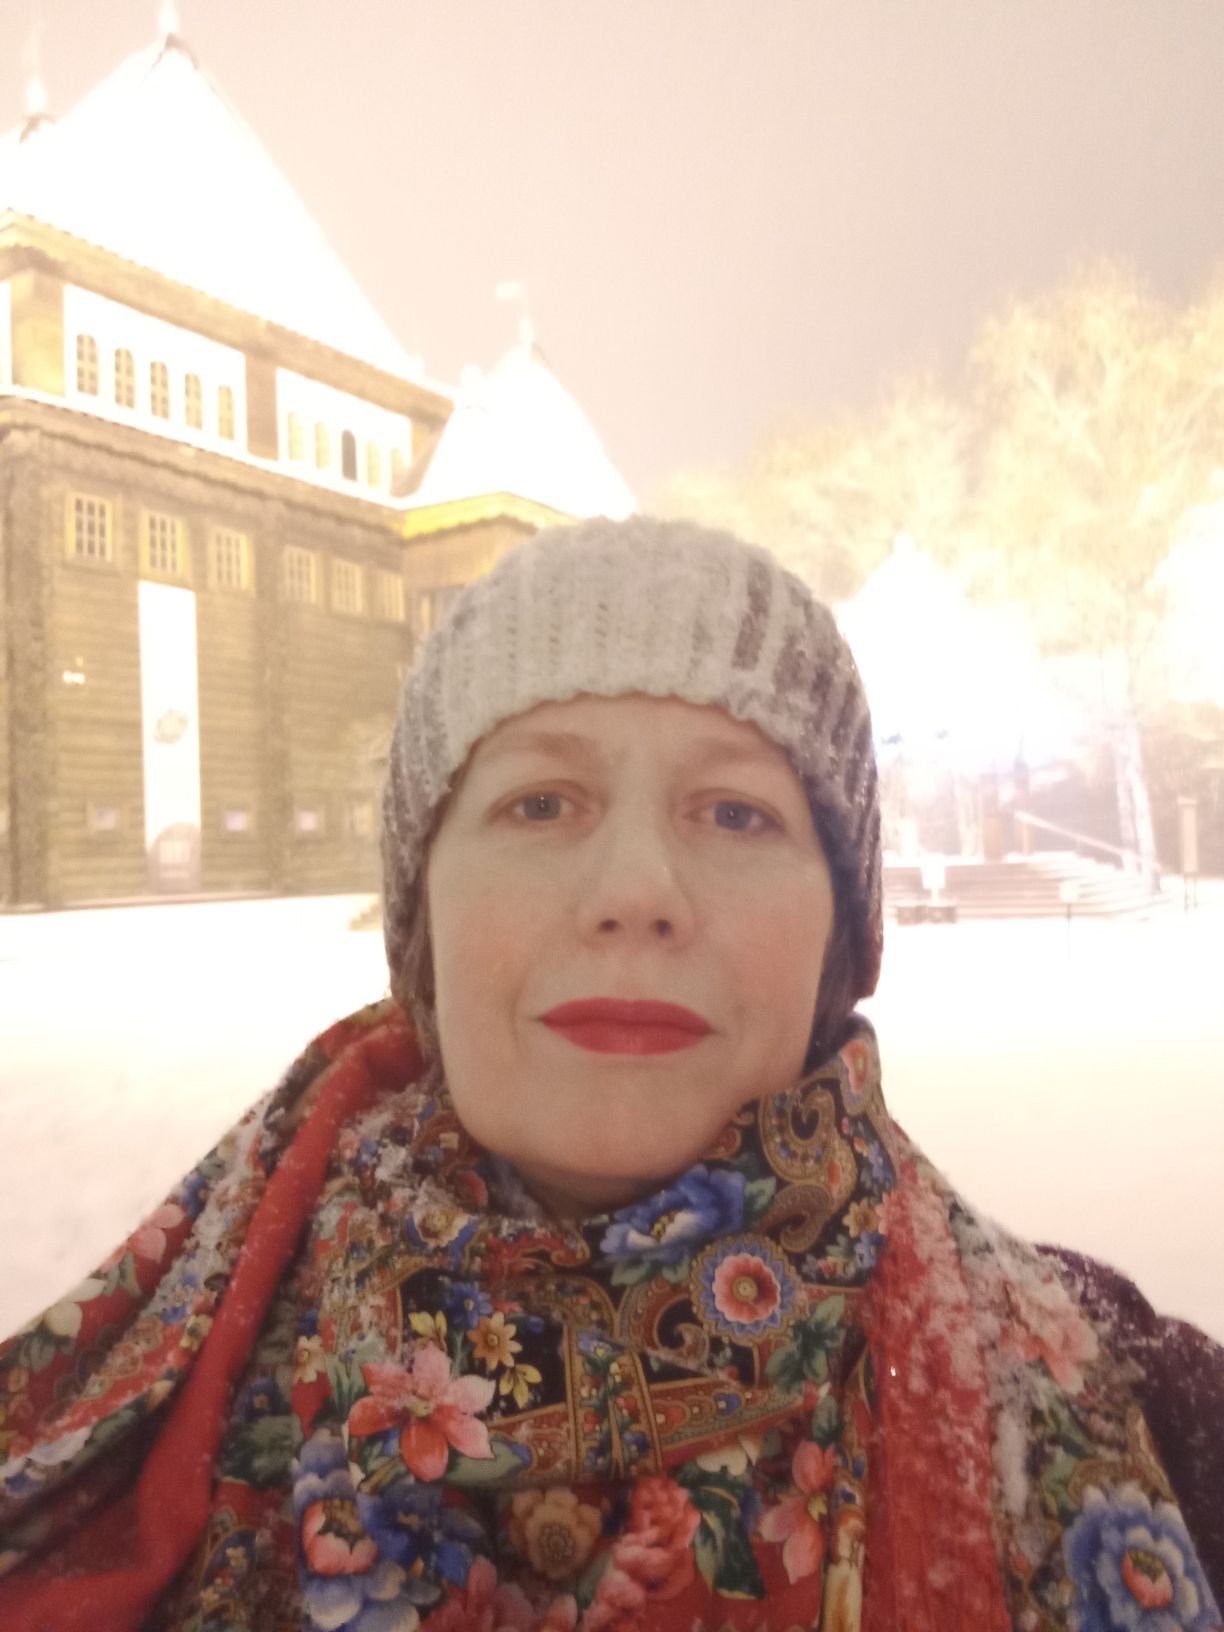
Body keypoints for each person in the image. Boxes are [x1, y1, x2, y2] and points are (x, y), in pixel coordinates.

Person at [0, 517, 1219, 1632]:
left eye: (735, 813)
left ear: (838, 940)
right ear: (424, 919)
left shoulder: (1152, 1408)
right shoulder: (125, 1431)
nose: (636, 891)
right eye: (542, 804)